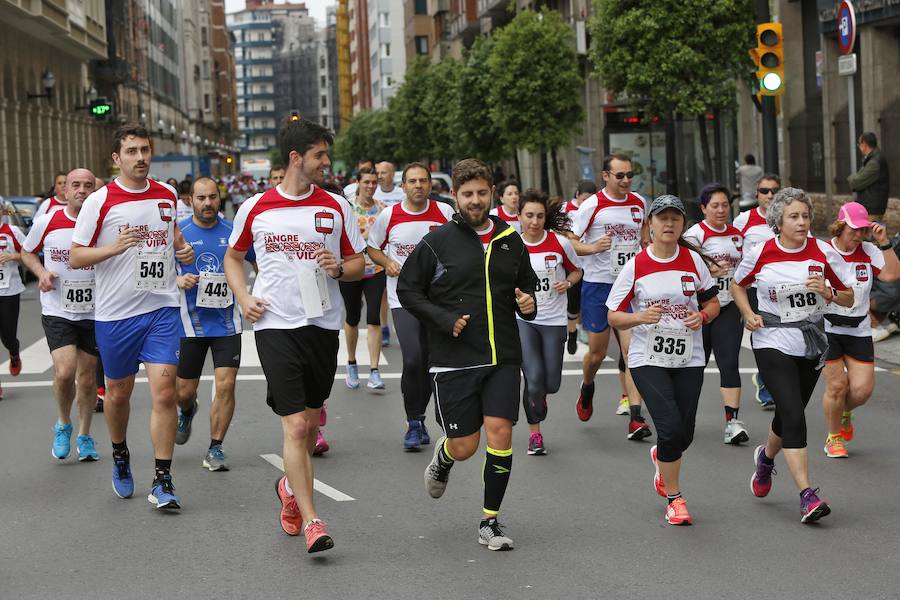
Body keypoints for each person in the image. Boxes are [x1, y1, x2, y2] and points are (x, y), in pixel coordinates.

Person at [224, 117, 365, 554]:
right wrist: (243, 296)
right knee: (297, 423)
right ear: (295, 158)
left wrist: (338, 268)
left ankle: (288, 486)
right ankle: (313, 520)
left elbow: (359, 262)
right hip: (274, 324)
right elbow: (234, 256)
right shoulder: (256, 208)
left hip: (322, 324)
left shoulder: (336, 206)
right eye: (321, 154)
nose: (327, 162)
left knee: (306, 427)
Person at [398, 158, 537, 551]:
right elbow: (408, 290)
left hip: (503, 357)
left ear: (491, 192)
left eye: (481, 193)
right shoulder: (437, 241)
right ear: (455, 197)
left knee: (502, 433)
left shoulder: (511, 239)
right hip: (454, 359)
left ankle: (489, 520)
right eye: (467, 194)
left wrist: (528, 304)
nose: (475, 201)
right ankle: (444, 456)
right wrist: (442, 318)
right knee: (465, 446)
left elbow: (527, 292)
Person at [70, 123, 195, 510]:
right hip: (116, 315)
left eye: (145, 150)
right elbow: (76, 255)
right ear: (116, 158)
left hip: (161, 308)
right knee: (119, 394)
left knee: (163, 392)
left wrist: (184, 249)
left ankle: (162, 479)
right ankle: (121, 454)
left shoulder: (168, 194)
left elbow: (172, 237)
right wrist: (114, 248)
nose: (140, 158)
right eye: (132, 151)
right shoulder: (100, 201)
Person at [732, 187, 853, 524]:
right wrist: (747, 312)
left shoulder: (822, 252)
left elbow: (848, 297)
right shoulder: (761, 252)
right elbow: (737, 286)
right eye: (793, 217)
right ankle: (807, 494)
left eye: (805, 216)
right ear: (778, 222)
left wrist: (828, 292)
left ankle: (766, 459)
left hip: (810, 341)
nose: (802, 222)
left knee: (790, 414)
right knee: (793, 415)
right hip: (771, 339)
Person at [607, 195, 720, 525]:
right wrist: (640, 317)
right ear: (650, 226)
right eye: (662, 219)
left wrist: (703, 316)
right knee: (669, 428)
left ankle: (662, 457)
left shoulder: (693, 261)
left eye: (675, 219)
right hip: (647, 357)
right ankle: (675, 498)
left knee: (684, 434)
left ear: (682, 224)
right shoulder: (637, 265)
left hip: (689, 356)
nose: (668, 224)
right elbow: (614, 316)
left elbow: (713, 303)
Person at [368, 162, 455, 450]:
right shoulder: (389, 215)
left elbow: (460, 246)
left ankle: (419, 417)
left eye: (423, 181)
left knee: (431, 362)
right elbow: (372, 248)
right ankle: (413, 421)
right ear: (403, 186)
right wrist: (388, 262)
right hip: (402, 298)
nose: (418, 185)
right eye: (412, 181)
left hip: (437, 300)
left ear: (430, 185)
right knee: (414, 358)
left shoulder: (444, 213)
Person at [173, 176, 256, 471]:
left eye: (212, 197)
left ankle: (215, 447)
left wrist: (254, 295)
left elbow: (259, 263)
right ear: (190, 200)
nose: (207, 203)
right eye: (201, 198)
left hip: (227, 322)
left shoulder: (234, 231)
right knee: (183, 391)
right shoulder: (178, 232)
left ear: (219, 199)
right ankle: (186, 409)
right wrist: (178, 280)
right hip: (188, 323)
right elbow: (160, 275)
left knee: (226, 384)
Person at [21, 168, 100, 462]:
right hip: (58, 309)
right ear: (64, 190)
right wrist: (41, 272)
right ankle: (63, 424)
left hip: (94, 310)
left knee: (88, 379)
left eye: (88, 185)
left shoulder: (103, 223)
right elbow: (27, 252)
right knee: (65, 372)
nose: (82, 190)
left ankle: (85, 435)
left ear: (95, 191)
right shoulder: (47, 221)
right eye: (75, 185)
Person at [570, 153, 650, 439]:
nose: (626, 180)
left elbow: (643, 233)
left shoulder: (639, 202)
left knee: (632, 352)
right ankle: (587, 386)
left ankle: (636, 417)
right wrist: (594, 248)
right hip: (599, 285)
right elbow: (570, 243)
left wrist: (644, 247)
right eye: (620, 176)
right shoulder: (592, 205)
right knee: (597, 353)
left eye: (630, 175)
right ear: (606, 176)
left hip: (629, 286)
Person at [821, 202, 900, 458]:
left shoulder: (868, 250)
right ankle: (833, 438)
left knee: (862, 391)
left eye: (862, 231)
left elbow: (891, 275)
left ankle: (843, 412)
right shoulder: (823, 251)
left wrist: (884, 242)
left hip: (858, 330)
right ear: (841, 226)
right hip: (828, 328)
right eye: (853, 230)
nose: (858, 235)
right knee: (837, 386)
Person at [517, 189, 582, 455]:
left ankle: (539, 396)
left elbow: (578, 270)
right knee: (533, 380)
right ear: (519, 216)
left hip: (553, 320)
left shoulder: (559, 243)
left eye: (539, 216)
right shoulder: (510, 245)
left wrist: (567, 282)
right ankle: (535, 435)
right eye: (529, 215)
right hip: (522, 320)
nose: (534, 221)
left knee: (551, 383)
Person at [684, 183, 748, 445]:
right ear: (703, 208)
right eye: (715, 206)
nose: (721, 210)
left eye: (725, 205)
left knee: (729, 362)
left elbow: (745, 271)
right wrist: (709, 273)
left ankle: (732, 422)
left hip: (728, 308)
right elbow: (683, 271)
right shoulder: (694, 235)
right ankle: (684, 419)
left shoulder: (737, 236)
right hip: (699, 309)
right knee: (693, 367)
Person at [733, 173, 781, 410]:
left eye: (774, 191)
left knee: (781, 338)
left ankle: (770, 379)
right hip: (753, 289)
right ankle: (765, 382)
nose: (770, 195)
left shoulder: (788, 219)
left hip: (782, 290)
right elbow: (730, 247)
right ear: (757, 195)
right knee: (762, 334)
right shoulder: (744, 220)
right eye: (765, 191)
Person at [339, 166, 387, 392]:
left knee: (374, 317)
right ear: (357, 182)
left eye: (374, 182)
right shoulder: (347, 207)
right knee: (352, 317)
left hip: (375, 271)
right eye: (366, 182)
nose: (370, 186)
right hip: (351, 271)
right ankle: (351, 362)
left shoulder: (383, 210)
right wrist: (364, 237)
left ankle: (375, 370)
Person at [562, 180, 596, 354]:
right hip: (572, 261)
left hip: (590, 263)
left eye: (590, 199)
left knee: (588, 300)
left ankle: (584, 330)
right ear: (577, 195)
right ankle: (572, 332)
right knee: (573, 301)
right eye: (584, 199)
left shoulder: (595, 210)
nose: (587, 204)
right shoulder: (566, 209)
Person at [0, 204, 27, 400]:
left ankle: (14, 351)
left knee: (7, 336)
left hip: (9, 291)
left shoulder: (12, 231)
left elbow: (29, 255)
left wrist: (13, 256)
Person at [848, 132, 889, 222]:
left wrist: (851, 179)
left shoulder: (874, 162)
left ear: (864, 144)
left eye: (859, 144)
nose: (859, 146)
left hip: (872, 209)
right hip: (870, 207)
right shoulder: (871, 159)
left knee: (870, 234)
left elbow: (856, 183)